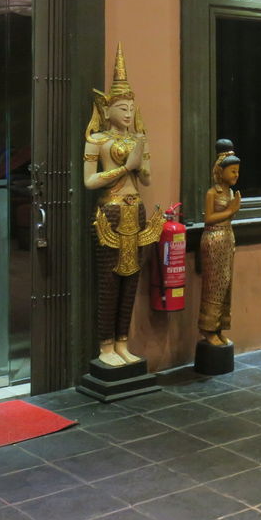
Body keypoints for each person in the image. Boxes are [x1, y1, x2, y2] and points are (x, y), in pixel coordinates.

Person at [83, 45, 162, 366]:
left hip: (136, 209)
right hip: (110, 210)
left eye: (131, 108)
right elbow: (90, 181)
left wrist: (140, 162)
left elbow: (147, 179)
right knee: (109, 281)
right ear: (107, 109)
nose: (128, 113)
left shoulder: (138, 138)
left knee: (131, 280)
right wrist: (124, 168)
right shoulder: (97, 140)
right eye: (121, 107)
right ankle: (105, 347)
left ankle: (122, 343)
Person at [199, 144, 241, 346]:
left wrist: (232, 210)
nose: (236, 175)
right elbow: (208, 218)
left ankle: (219, 327)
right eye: (232, 171)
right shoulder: (212, 193)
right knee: (214, 285)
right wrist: (231, 211)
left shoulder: (231, 193)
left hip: (227, 237)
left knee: (225, 284)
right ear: (220, 171)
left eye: (237, 171)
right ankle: (208, 329)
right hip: (213, 237)